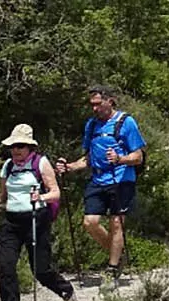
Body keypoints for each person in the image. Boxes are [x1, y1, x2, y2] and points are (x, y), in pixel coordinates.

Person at [0, 125, 75, 301]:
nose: (16, 150)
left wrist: (40, 197)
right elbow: (3, 198)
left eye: (20, 146)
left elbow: (55, 193)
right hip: (12, 221)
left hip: (36, 218)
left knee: (40, 269)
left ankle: (65, 290)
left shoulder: (40, 163)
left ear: (29, 147)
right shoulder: (7, 166)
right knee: (5, 266)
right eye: (13, 146)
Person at [55, 85, 145, 285]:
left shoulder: (126, 122)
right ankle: (117, 254)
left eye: (98, 104)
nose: (94, 109)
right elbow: (87, 158)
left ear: (110, 101)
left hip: (121, 179)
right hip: (98, 179)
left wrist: (120, 159)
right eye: (92, 105)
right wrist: (69, 167)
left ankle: (112, 268)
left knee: (116, 222)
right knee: (90, 222)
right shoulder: (92, 125)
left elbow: (138, 156)